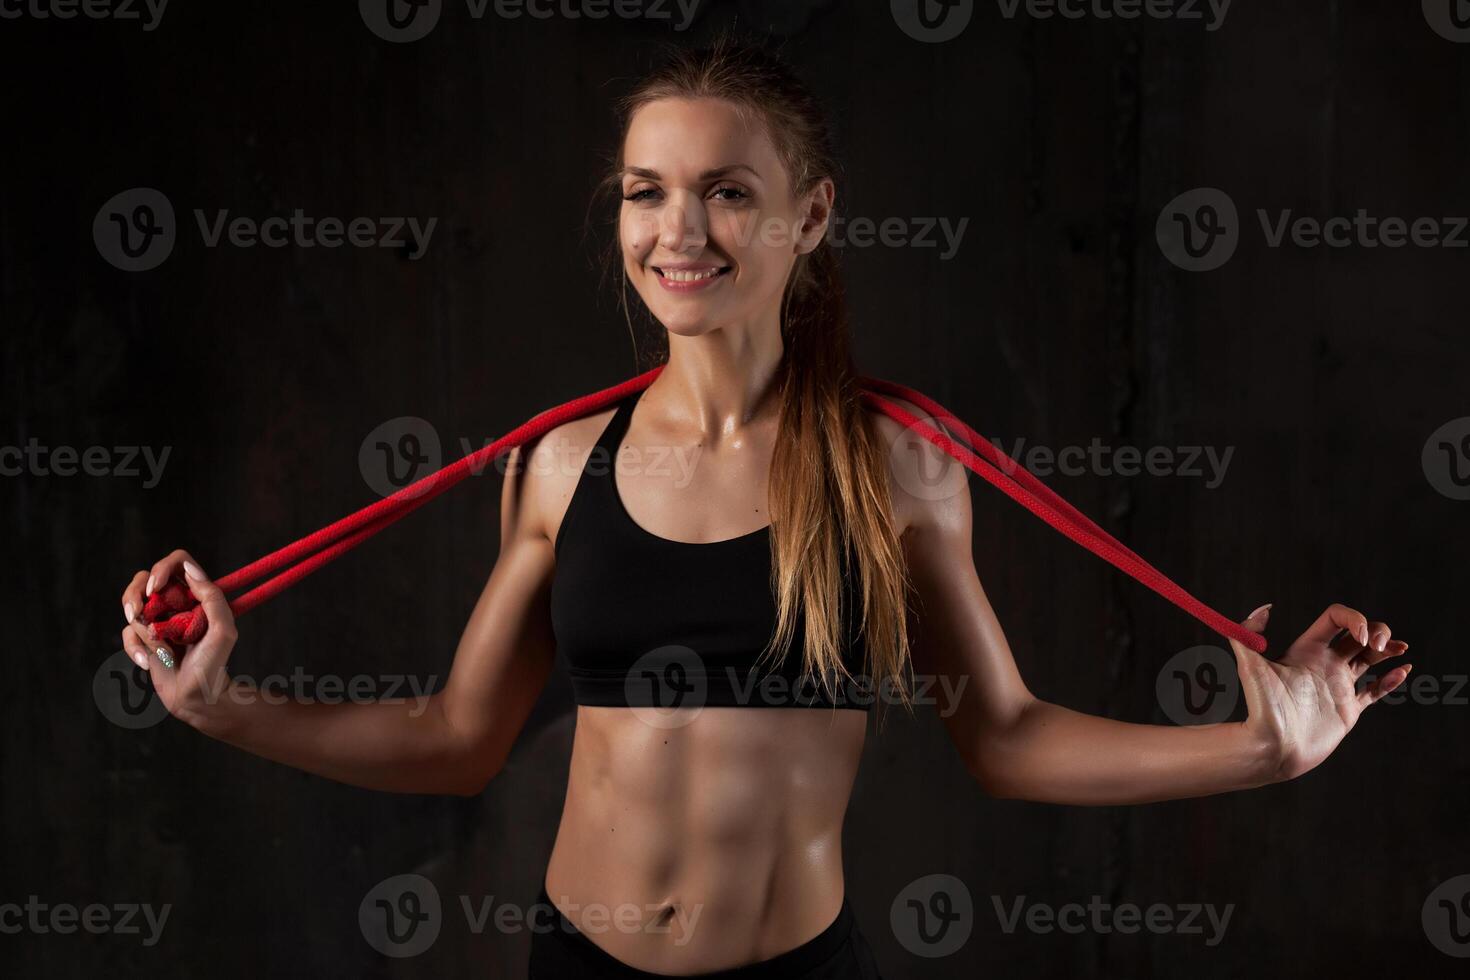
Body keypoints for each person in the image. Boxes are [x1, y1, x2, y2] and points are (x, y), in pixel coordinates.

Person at [117, 36, 1409, 980]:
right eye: (645, 189)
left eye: (727, 189)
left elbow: (1003, 738)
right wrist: (221, 702)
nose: (678, 228)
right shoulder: (559, 464)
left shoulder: (896, 465)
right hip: (573, 960)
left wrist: (1260, 750)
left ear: (808, 213)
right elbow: (458, 737)